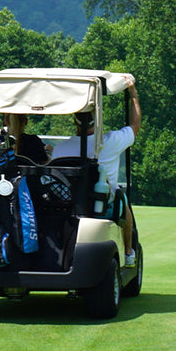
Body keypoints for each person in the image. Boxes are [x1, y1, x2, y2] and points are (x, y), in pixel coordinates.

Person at [49, 83, 141, 265]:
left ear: (75, 121)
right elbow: (135, 125)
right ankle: (129, 252)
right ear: (97, 119)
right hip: (102, 203)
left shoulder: (61, 149)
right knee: (123, 200)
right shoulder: (111, 141)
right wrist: (133, 95)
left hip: (67, 203)